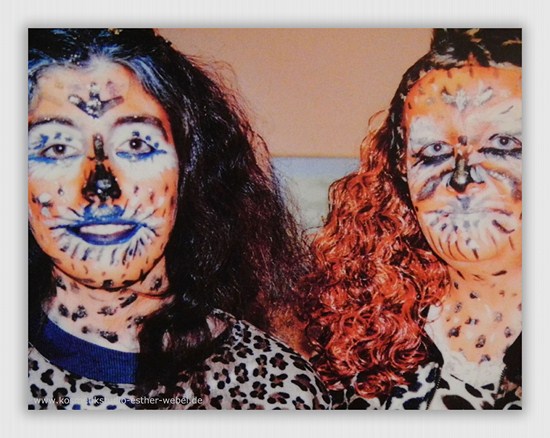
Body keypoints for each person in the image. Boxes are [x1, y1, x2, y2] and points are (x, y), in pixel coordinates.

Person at [27, 28, 329, 410]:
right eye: (56, 148)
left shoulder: (273, 390)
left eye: (136, 144)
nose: (101, 186)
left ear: (188, 168)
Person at [302, 28, 522, 409]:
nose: (461, 178)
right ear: (401, 170)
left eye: (501, 144)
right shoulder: (367, 350)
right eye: (434, 150)